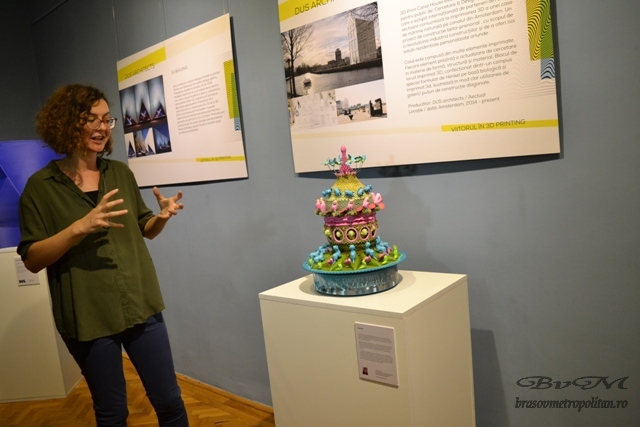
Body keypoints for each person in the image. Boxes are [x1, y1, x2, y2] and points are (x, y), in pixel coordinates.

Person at [17, 83, 188, 427]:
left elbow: (144, 228)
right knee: (112, 413)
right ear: (67, 122)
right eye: (90, 118)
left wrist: (161, 217)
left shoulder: (120, 173)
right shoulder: (41, 187)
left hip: (140, 304)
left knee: (169, 401)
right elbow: (33, 259)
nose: (101, 127)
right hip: (88, 315)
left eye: (106, 119)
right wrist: (79, 227)